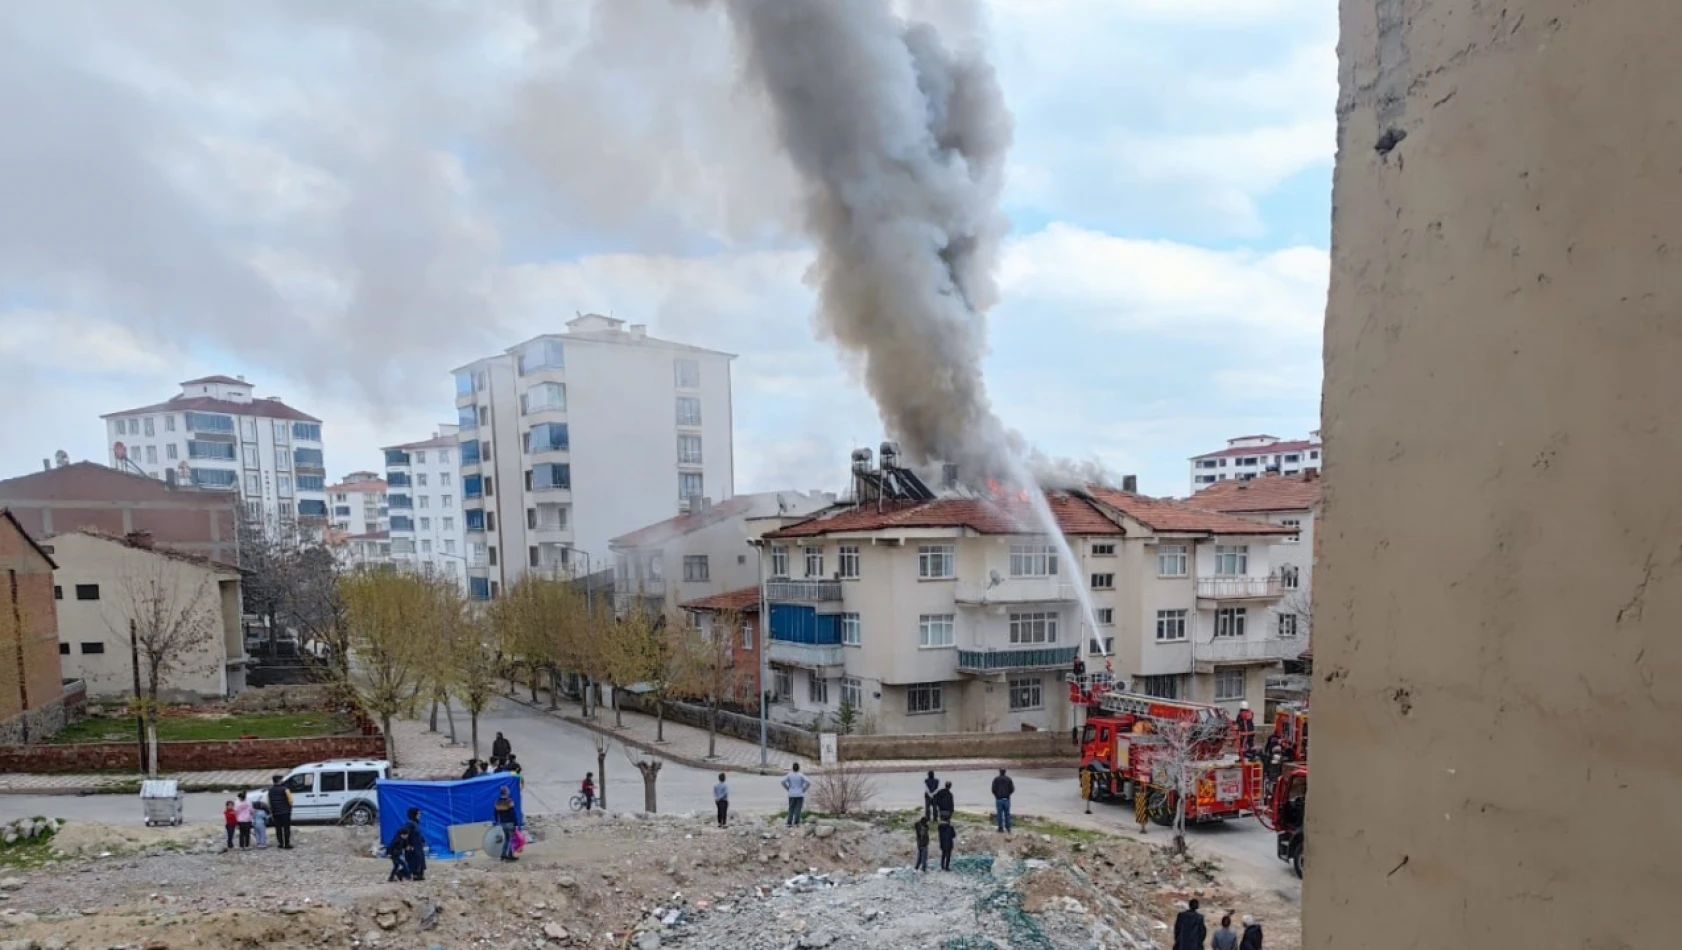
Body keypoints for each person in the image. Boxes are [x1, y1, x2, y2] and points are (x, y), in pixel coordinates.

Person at [267, 774, 294, 850]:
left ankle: (281, 843)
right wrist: (289, 807)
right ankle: (287, 844)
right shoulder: (285, 789)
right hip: (285, 812)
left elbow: (269, 802)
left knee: (278, 828)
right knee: (286, 828)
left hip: (275, 812)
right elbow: (291, 800)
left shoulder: (270, 790)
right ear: (279, 780)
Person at [401, 807, 427, 882]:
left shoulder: (415, 824)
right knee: (414, 861)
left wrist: (422, 840)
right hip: (412, 846)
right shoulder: (409, 824)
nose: (419, 815)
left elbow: (416, 834)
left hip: (418, 846)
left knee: (420, 860)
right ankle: (401, 873)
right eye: (418, 814)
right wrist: (406, 845)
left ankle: (419, 875)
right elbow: (404, 835)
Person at [493, 787, 518, 862]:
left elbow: (495, 814)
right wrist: (515, 823)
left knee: (506, 839)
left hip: (502, 823)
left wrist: (497, 821)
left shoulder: (497, 802)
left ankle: (503, 855)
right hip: (510, 823)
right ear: (506, 792)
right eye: (507, 790)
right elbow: (512, 814)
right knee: (511, 839)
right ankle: (510, 855)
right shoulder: (509, 801)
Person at [782, 763, 810, 827]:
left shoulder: (789, 775)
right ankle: (796, 822)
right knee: (798, 808)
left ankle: (789, 822)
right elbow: (808, 782)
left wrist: (787, 788)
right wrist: (804, 789)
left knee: (791, 808)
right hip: (800, 793)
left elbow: (782, 781)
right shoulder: (801, 775)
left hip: (791, 793)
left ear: (792, 768)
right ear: (799, 768)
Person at [990, 768, 1015, 834]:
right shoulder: (1009, 779)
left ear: (999, 772)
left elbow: (993, 789)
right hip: (1006, 799)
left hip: (999, 799)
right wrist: (1008, 795)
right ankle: (1008, 828)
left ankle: (1000, 828)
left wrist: (996, 796)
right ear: (1005, 772)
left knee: (999, 814)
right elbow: (1012, 789)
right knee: (1007, 814)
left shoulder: (996, 779)